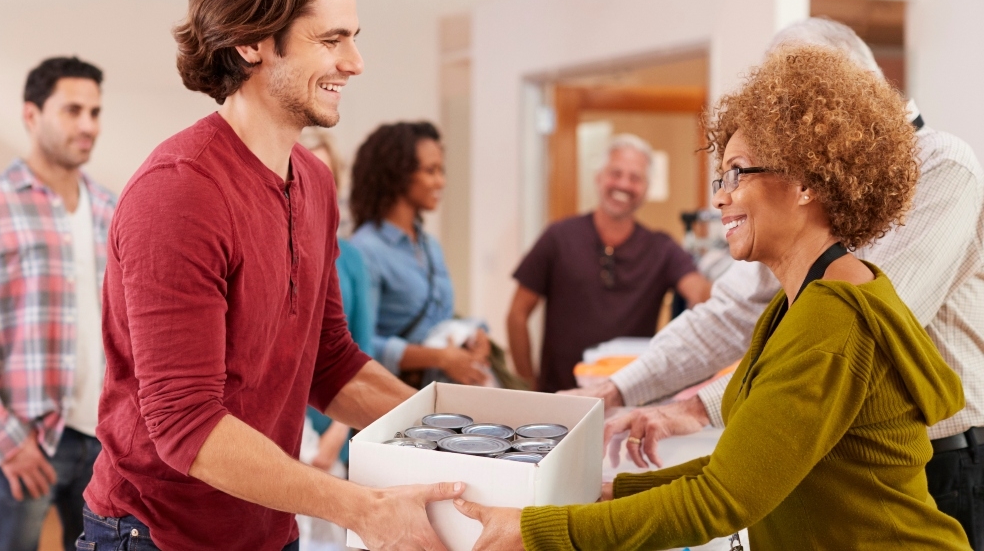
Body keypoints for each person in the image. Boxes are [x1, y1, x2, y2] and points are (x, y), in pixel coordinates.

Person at [457, 44, 971, 550]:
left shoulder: (831, 319)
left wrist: (535, 531)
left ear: (806, 182)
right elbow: (749, 466)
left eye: (738, 173)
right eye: (720, 176)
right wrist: (608, 492)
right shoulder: (802, 300)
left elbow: (719, 499)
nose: (720, 195)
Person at [78, 0, 462, 551]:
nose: (355, 62)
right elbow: (185, 424)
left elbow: (331, 364)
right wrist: (363, 509)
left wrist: (462, 429)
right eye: (330, 40)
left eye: (353, 37)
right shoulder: (179, 192)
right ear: (251, 42)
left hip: (266, 527)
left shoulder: (312, 182)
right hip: (155, 536)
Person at [0, 56, 114, 551]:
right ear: (31, 115)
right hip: (22, 443)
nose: (88, 125)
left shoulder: (112, 212)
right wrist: (4, 439)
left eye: (95, 112)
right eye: (73, 110)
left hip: (106, 444)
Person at [507, 134, 711, 393]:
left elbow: (700, 293)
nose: (624, 184)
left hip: (631, 400)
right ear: (599, 178)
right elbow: (517, 314)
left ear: (646, 188)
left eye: (635, 178)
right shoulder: (559, 237)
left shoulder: (662, 248)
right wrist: (527, 386)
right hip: (560, 398)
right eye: (616, 173)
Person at [349, 121, 492, 387]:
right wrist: (438, 358)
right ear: (398, 174)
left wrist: (474, 335)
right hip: (399, 395)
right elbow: (358, 344)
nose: (442, 181)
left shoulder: (430, 245)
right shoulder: (365, 250)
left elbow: (439, 322)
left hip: (444, 392)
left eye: (442, 170)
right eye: (431, 170)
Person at [298, 128, 374, 474]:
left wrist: (335, 437)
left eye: (322, 175)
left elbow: (358, 353)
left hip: (332, 425)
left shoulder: (352, 259)